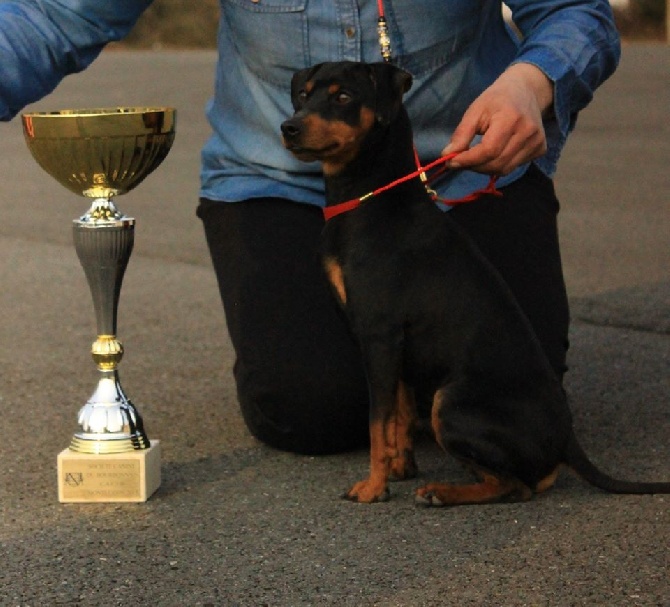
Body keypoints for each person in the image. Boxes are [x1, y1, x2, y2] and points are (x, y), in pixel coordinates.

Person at [0, 1, 621, 455]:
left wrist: (531, 82)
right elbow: (54, 13)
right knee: (310, 410)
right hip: (283, 184)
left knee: (516, 396)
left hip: (459, 171)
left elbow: (576, 13)